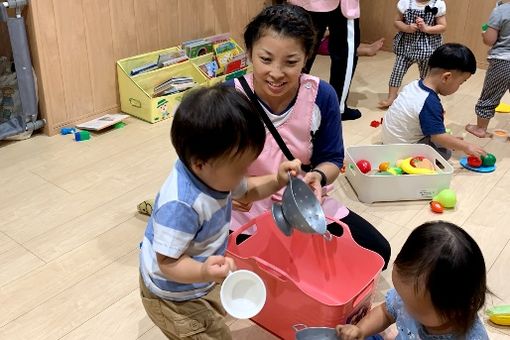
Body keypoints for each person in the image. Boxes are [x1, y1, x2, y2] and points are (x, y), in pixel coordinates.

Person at [227, 4, 391, 269]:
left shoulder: (321, 95)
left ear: (307, 57)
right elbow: (204, 161)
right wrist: (224, 190)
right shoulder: (230, 97)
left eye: (291, 62)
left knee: (377, 254)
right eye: (266, 59)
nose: (277, 73)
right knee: (267, 266)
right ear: (250, 54)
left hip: (303, 201)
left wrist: (319, 176)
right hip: (247, 203)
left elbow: (332, 158)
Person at [139, 85, 301, 340]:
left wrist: (278, 180)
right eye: (239, 168)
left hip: (195, 277)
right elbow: (167, 262)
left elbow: (247, 190)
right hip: (172, 297)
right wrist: (203, 272)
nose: (244, 174)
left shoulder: (214, 171)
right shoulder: (181, 206)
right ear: (199, 164)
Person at [337, 220, 489, 339]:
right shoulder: (410, 300)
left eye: (416, 309)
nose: (404, 307)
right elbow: (385, 312)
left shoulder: (472, 337)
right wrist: (360, 330)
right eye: (402, 297)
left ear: (455, 310)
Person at [382, 43, 486, 160]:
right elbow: (438, 137)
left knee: (443, 140)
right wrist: (467, 146)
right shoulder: (429, 102)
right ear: (446, 77)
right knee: (444, 153)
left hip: (388, 141)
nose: (459, 87)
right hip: (402, 152)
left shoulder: (414, 85)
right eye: (461, 82)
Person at [287, 0, 364, 120]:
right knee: (344, 53)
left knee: (302, 49)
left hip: (307, 3)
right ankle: (338, 108)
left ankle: (288, 101)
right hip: (340, 6)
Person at [379, 0, 447, 109]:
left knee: (427, 77)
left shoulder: (437, 4)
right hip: (406, 46)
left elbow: (442, 26)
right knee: (397, 72)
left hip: (427, 49)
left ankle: (425, 99)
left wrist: (427, 28)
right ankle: (392, 97)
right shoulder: (406, 2)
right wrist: (407, 28)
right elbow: (397, 21)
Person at [466, 0, 510, 138]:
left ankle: (480, 128)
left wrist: (484, 33)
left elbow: (490, 39)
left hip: (503, 61)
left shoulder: (501, 10)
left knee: (490, 95)